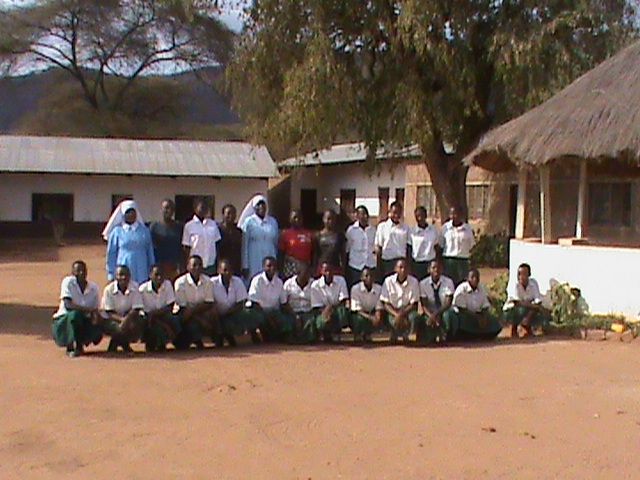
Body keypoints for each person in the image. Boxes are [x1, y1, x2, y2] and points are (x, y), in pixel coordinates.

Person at [52, 260, 102, 357]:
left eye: (83, 270)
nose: (81, 273)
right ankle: (72, 346)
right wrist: (88, 310)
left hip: (84, 319)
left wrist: (96, 320)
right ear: (73, 273)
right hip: (65, 320)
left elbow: (95, 309)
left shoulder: (93, 288)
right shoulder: (68, 282)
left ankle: (84, 342)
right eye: (78, 271)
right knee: (75, 315)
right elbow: (68, 305)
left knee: (99, 322)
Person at [104, 200, 155, 284]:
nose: (131, 215)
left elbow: (150, 252)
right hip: (123, 268)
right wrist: (111, 273)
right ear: (123, 214)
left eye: (133, 212)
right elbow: (111, 254)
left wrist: (151, 269)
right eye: (128, 212)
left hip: (142, 270)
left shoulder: (144, 231)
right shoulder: (117, 232)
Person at [173, 255, 218, 350]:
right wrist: (201, 321)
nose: (197, 268)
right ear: (188, 267)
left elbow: (209, 302)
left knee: (213, 313)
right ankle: (194, 339)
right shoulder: (180, 283)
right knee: (188, 324)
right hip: (184, 313)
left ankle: (217, 336)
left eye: (200, 265)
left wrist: (196, 312)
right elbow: (183, 308)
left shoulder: (208, 281)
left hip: (200, 311)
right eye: (194, 265)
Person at [444, 269, 502, 340]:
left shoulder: (482, 288)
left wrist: (483, 317)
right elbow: (462, 309)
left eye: (477, 277)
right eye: (472, 277)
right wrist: (477, 318)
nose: (475, 279)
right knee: (460, 325)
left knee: (494, 324)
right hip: (463, 315)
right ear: (467, 278)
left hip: (478, 315)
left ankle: (479, 335)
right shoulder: (461, 289)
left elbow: (485, 305)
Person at [101, 265, 145, 354]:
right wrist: (122, 320)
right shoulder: (108, 290)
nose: (123, 277)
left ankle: (116, 343)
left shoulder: (135, 287)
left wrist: (126, 320)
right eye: (120, 275)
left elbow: (136, 308)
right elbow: (109, 312)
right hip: (111, 319)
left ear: (130, 276)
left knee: (138, 324)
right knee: (117, 327)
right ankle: (124, 346)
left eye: (126, 275)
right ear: (115, 276)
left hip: (129, 317)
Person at [211, 258, 253, 347]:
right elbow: (209, 303)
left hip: (232, 314)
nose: (228, 273)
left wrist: (227, 314)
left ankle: (230, 334)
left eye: (230, 270)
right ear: (219, 270)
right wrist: (218, 315)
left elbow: (241, 303)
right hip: (215, 315)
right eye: (225, 270)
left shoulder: (237, 281)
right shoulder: (212, 283)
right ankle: (218, 336)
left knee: (247, 314)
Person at [139, 264, 180, 352]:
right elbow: (140, 310)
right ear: (150, 275)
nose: (159, 277)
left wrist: (155, 314)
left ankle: (167, 342)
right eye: (156, 275)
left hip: (163, 315)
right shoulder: (142, 289)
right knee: (149, 325)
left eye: (161, 275)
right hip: (148, 318)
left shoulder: (167, 284)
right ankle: (152, 342)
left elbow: (170, 306)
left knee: (175, 320)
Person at [379, 259, 421, 345]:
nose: (403, 270)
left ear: (409, 270)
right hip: (392, 310)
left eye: (405, 268)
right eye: (400, 267)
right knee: (391, 320)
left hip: (407, 310)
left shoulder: (414, 281)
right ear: (395, 269)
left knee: (414, 317)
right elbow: (385, 303)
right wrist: (396, 314)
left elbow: (414, 304)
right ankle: (393, 333)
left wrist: (402, 314)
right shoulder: (388, 281)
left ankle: (406, 334)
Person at [247, 256, 289, 342]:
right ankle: (255, 334)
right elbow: (254, 302)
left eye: (274, 266)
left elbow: (283, 303)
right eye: (269, 266)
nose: (272, 268)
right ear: (263, 267)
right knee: (250, 314)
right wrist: (266, 316)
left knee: (286, 321)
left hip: (273, 312)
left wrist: (294, 316)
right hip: (259, 311)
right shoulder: (257, 280)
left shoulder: (279, 282)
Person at [503, 263, 550, 338]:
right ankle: (514, 329)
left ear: (529, 275)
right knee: (521, 310)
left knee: (540, 312)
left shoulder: (533, 283)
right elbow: (517, 302)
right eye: (520, 274)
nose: (522, 276)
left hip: (529, 308)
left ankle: (527, 327)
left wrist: (530, 313)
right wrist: (533, 306)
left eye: (524, 274)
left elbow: (537, 301)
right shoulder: (515, 285)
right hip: (512, 310)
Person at [239, 194, 279, 282]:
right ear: (254, 207)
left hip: (269, 255)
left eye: (263, 204)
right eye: (258, 205)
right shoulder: (248, 222)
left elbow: (276, 243)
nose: (261, 207)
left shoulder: (273, 222)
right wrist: (245, 265)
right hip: (253, 258)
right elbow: (244, 244)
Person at [310, 261, 350, 343]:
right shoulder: (315, 285)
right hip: (322, 311)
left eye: (330, 270)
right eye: (326, 270)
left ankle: (337, 332)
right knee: (321, 321)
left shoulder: (341, 280)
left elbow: (343, 299)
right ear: (321, 271)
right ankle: (325, 333)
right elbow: (316, 306)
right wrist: (326, 311)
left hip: (336, 308)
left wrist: (331, 308)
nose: (328, 273)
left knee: (342, 313)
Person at [182, 197, 221, 277]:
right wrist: (188, 264)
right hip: (195, 265)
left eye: (206, 208)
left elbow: (217, 244)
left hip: (210, 264)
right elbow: (186, 248)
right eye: (201, 207)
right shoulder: (189, 226)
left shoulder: (213, 225)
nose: (204, 210)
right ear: (195, 208)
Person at [419, 260, 455, 345]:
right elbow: (424, 304)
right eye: (433, 268)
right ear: (429, 270)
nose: (436, 270)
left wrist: (436, 314)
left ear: (442, 270)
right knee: (424, 321)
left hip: (444, 310)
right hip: (430, 312)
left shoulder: (448, 282)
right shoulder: (423, 283)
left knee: (448, 316)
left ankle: (446, 335)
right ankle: (430, 335)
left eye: (438, 268)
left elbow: (448, 303)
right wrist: (431, 315)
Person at [149, 199, 184, 281]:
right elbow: (150, 248)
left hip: (174, 268)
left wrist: (181, 267)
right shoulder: (154, 227)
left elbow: (182, 248)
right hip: (159, 268)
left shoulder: (179, 227)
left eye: (171, 208)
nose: (168, 210)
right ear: (161, 209)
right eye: (166, 208)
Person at [375, 201, 410, 278]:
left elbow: (408, 247)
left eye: (399, 213)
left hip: (401, 262)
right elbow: (379, 247)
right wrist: (379, 265)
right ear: (389, 212)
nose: (396, 215)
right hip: (387, 262)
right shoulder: (382, 227)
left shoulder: (406, 228)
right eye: (394, 212)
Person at [282, 263, 316, 343]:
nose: (306, 277)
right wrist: (294, 315)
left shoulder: (313, 284)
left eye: (308, 275)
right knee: (289, 322)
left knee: (310, 322)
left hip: (308, 311)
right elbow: (284, 302)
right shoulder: (288, 284)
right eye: (304, 275)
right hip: (292, 311)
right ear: (297, 274)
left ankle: (307, 340)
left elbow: (316, 302)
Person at [441, 206, 475, 285]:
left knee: (462, 283)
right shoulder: (445, 228)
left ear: (461, 215)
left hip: (463, 260)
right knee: (449, 283)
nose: (454, 216)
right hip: (449, 260)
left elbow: (472, 245)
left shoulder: (467, 229)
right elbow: (440, 245)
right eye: (452, 214)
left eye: (456, 214)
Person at [349, 267, 384, 344]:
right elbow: (357, 310)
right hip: (359, 313)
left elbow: (379, 306)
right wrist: (371, 318)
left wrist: (377, 317)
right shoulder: (355, 289)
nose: (369, 278)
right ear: (361, 278)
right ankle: (358, 334)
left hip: (372, 312)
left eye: (371, 276)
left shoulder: (379, 288)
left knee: (381, 317)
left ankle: (368, 334)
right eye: (366, 276)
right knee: (358, 319)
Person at [345, 205, 376, 289]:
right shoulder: (351, 230)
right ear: (357, 216)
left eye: (366, 214)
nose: (364, 216)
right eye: (362, 214)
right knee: (355, 289)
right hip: (356, 266)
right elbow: (347, 248)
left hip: (370, 264)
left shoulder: (372, 230)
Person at [409, 206, 442, 281]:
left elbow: (437, 247)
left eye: (422, 216)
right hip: (417, 264)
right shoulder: (412, 232)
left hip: (430, 262)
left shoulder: (433, 230)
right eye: (417, 216)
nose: (420, 218)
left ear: (426, 216)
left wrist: (438, 263)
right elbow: (409, 249)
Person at [278, 209, 314, 279]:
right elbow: (281, 254)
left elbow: (313, 253)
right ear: (290, 219)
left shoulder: (309, 234)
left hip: (305, 268)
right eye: (295, 217)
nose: (297, 220)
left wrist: (312, 268)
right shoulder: (285, 234)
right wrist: (280, 271)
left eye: (299, 218)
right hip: (291, 268)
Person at [313, 209, 346, 276]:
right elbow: (315, 254)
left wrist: (343, 269)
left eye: (332, 219)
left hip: (335, 268)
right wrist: (314, 269)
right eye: (328, 219)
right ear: (323, 219)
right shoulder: (318, 235)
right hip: (322, 268)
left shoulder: (340, 235)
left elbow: (343, 254)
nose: (330, 221)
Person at [217, 204, 243, 276]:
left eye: (233, 213)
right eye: (228, 213)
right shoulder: (217, 230)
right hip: (222, 267)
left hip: (235, 267)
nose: (231, 216)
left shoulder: (239, 232)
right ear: (223, 215)